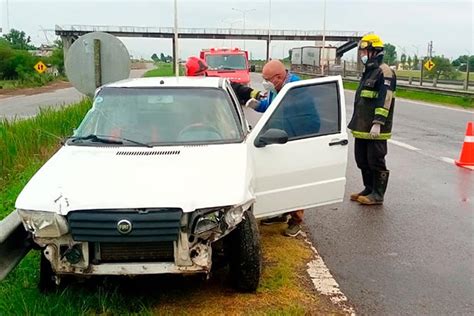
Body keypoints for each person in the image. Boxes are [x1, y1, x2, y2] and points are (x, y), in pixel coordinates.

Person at [246, 59, 320, 237]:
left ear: (279, 77)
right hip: (280, 138)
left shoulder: (296, 89)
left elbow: (301, 118)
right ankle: (281, 211)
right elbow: (272, 107)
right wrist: (257, 105)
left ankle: (296, 220)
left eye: (267, 79)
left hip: (296, 138)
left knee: (295, 180)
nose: (265, 83)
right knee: (280, 178)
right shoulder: (277, 87)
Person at [348, 34, 396, 205]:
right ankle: (368, 188)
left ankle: (378, 194)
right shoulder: (369, 71)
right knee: (361, 159)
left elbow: (386, 99)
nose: (362, 54)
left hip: (375, 128)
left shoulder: (385, 71)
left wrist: (377, 123)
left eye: (364, 50)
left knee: (375, 160)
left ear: (374, 51)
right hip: (362, 126)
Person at [184, 56, 263, 105]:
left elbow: (238, 89)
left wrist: (255, 94)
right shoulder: (183, 88)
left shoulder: (216, 82)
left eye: (202, 74)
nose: (201, 77)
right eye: (198, 75)